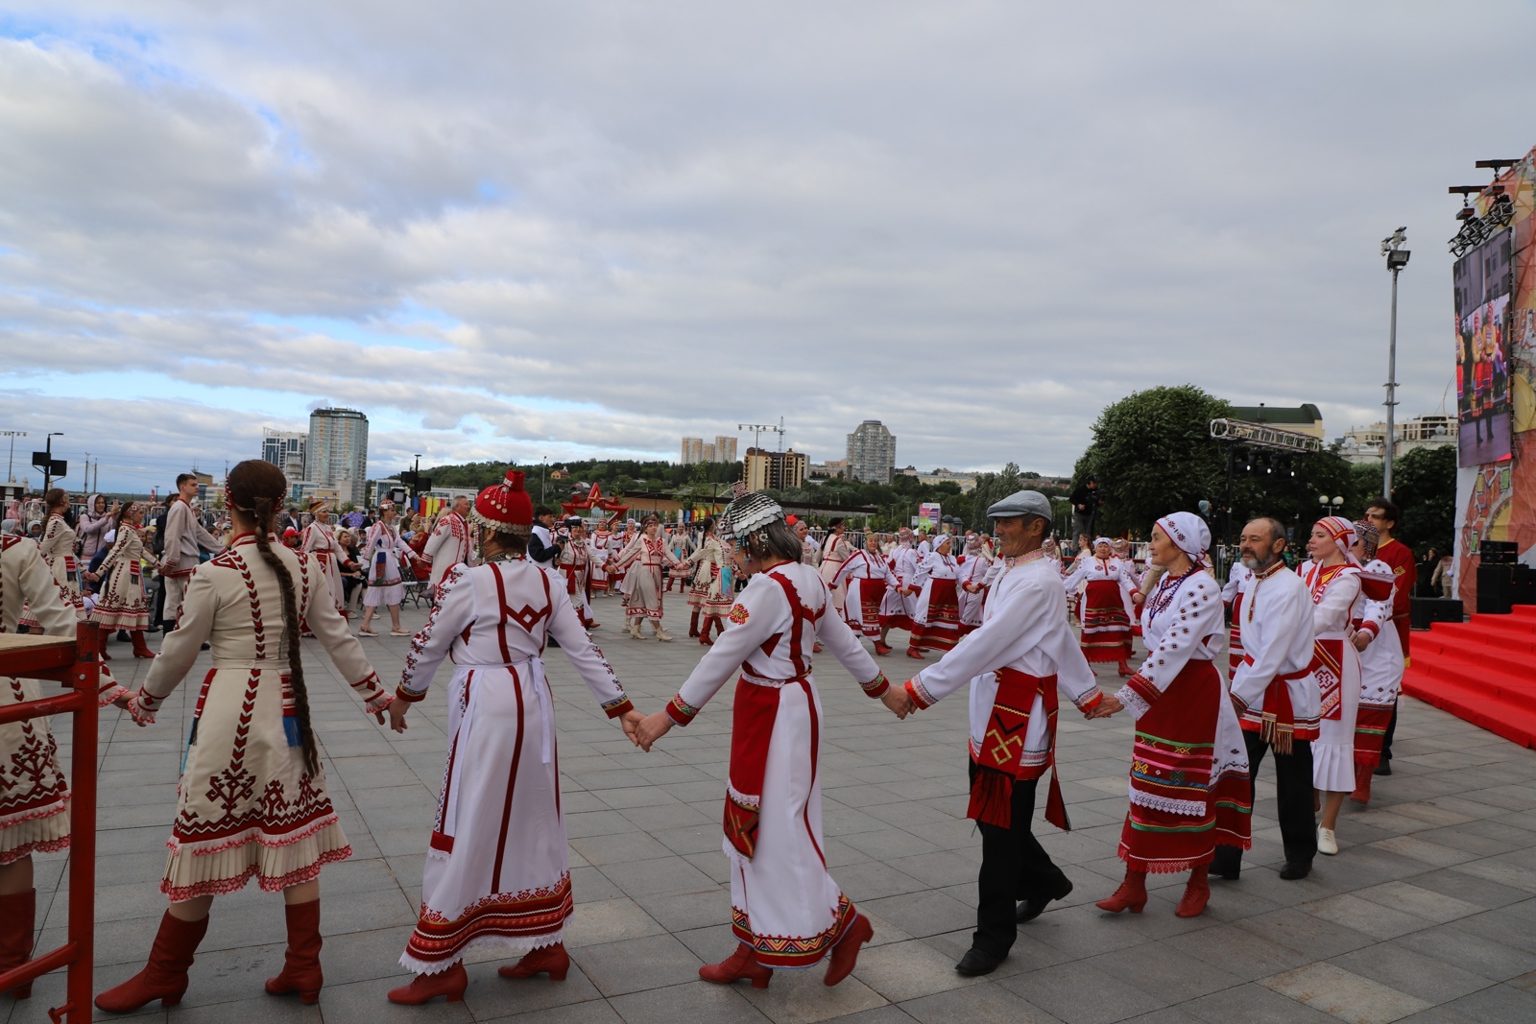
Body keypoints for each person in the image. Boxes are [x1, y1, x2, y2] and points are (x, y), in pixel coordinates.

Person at [95, 460, 393, 1012]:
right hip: (289, 714)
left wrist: (146, 700)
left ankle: (166, 972)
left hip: (230, 714)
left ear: (227, 502)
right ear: (281, 506)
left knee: (206, 835)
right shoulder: (305, 566)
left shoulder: (217, 572)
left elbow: (179, 650)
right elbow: (338, 637)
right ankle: (304, 966)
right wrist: (377, 695)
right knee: (297, 838)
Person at [384, 469, 642, 1005]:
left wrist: (405, 698)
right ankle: (544, 943)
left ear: (486, 532)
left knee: (464, 816)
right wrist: (622, 708)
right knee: (533, 815)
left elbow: (428, 645)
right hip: (533, 701)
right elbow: (583, 650)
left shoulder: (467, 580)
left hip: (485, 701)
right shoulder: (550, 581)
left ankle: (441, 964)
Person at [633, 493, 890, 990]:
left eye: (734, 544)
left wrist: (665, 718)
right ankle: (753, 948)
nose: (729, 553)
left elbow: (720, 658)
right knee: (757, 823)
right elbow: (843, 642)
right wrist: (884, 691)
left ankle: (844, 925)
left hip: (774, 711)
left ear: (755, 540)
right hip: (789, 704)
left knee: (774, 829)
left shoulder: (763, 591)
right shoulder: (809, 577)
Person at [881, 490, 1107, 977]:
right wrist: (1086, 693)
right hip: (996, 710)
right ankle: (1045, 879)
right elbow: (1058, 636)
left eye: (1010, 522)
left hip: (1017, 717)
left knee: (999, 835)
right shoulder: (1015, 571)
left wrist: (918, 690)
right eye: (998, 522)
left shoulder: (1036, 581)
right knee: (995, 820)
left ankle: (994, 937)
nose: (999, 529)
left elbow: (987, 643)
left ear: (1037, 528)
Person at [1094, 513, 1249, 918]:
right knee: (1145, 783)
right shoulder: (1166, 580)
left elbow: (1175, 648)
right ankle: (1134, 882)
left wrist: (1126, 697)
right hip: (1161, 692)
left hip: (1191, 694)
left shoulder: (1201, 586)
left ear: (1179, 544)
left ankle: (1198, 883)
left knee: (1192, 788)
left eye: (1156, 538)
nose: (1150, 545)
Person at [0, 525, 126, 998]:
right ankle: (12, 966)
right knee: (8, 844)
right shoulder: (15, 549)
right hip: (8, 692)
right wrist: (110, 688)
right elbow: (63, 620)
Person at [1211, 518, 1319, 882]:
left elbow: (1274, 652)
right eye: (1242, 538)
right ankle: (1226, 858)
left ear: (1278, 545)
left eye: (1254, 539)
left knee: (1294, 783)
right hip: (1253, 693)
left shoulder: (1289, 588)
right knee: (1236, 776)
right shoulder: (1251, 581)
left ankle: (1301, 854)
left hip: (1285, 696)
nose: (1245, 545)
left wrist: (1237, 698)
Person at [1348, 522, 1404, 807]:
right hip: (1344, 647)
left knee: (1370, 715)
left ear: (1366, 546)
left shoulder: (1378, 567)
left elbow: (1378, 604)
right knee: (1343, 716)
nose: (1348, 547)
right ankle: (1340, 776)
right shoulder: (1328, 569)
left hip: (1375, 649)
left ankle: (1363, 781)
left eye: (1354, 542)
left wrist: (1368, 630)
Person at [1365, 497, 1414, 776]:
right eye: (1366, 515)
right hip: (1359, 632)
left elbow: (1397, 593)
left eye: (1375, 516)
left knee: (1386, 689)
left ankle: (1383, 752)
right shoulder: (1359, 551)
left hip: (1389, 628)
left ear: (1389, 523)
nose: (1368, 520)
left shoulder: (1399, 553)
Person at [87, 501, 159, 659]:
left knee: (131, 609)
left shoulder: (130, 530)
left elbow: (140, 551)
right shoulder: (126, 530)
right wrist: (98, 574)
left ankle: (136, 647)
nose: (143, 515)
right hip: (123, 574)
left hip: (130, 573)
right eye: (140, 513)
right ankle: (101, 648)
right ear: (130, 514)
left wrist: (159, 564)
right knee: (115, 609)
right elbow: (114, 553)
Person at [1062, 537, 1136, 676]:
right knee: (1091, 632)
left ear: (1110, 548)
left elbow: (1125, 580)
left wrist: (1134, 593)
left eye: (1106, 546)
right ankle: (1085, 666)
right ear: (1095, 548)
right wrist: (1069, 591)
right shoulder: (1088, 562)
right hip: (1093, 603)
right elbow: (1074, 578)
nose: (1103, 548)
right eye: (1100, 546)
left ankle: (1122, 665)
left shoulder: (1117, 562)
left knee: (1120, 630)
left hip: (1114, 602)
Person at [160, 473, 222, 625]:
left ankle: (174, 640)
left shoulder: (186, 508)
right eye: (193, 485)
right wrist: (172, 559)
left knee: (175, 601)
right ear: (183, 487)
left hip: (181, 559)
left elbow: (199, 532)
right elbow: (172, 535)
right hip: (181, 560)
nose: (196, 488)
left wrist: (221, 550)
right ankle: (179, 639)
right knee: (189, 600)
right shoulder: (179, 508)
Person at [609, 514, 683, 641]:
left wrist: (679, 564)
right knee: (652, 600)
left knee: (643, 601)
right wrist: (616, 566)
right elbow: (630, 554)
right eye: (650, 526)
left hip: (657, 572)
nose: (654, 528)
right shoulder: (641, 540)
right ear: (645, 528)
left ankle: (635, 628)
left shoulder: (661, 541)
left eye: (655, 525)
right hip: (644, 571)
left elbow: (668, 554)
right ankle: (658, 630)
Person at [833, 532, 894, 655]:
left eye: (875, 541)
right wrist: (832, 584)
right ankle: (877, 645)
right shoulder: (859, 555)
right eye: (871, 541)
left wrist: (897, 586)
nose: (873, 543)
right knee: (868, 616)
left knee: (862, 619)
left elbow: (888, 574)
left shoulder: (879, 557)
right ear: (866, 542)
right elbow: (844, 568)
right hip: (861, 590)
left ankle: (850, 644)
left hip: (876, 592)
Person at [359, 501, 413, 637]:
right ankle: (395, 626)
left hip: (388, 557)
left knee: (378, 589)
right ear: (385, 512)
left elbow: (400, 542)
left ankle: (366, 625)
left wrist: (413, 554)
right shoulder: (378, 526)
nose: (395, 512)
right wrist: (364, 561)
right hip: (382, 558)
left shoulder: (392, 527)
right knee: (390, 588)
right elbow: (370, 543)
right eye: (392, 510)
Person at [906, 533, 961, 658]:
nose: (950, 546)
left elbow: (959, 574)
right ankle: (913, 647)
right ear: (939, 545)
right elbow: (920, 571)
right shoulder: (933, 556)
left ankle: (950, 648)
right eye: (947, 543)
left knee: (949, 618)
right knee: (925, 616)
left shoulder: (952, 559)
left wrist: (968, 585)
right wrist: (911, 588)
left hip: (949, 595)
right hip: (933, 592)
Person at [682, 517, 732, 643]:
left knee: (703, 602)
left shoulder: (710, 538)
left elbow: (699, 551)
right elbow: (700, 552)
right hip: (711, 569)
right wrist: (687, 562)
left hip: (710, 568)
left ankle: (697, 629)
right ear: (713, 527)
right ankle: (715, 631)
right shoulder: (712, 540)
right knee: (710, 601)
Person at [36, 489, 83, 615]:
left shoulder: (58, 521)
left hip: (65, 566)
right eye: (67, 498)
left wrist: (82, 569)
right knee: (61, 608)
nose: (69, 502)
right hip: (59, 567)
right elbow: (43, 548)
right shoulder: (56, 522)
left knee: (63, 609)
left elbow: (66, 549)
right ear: (62, 502)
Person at [300, 499, 347, 619]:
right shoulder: (312, 528)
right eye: (324, 511)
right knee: (324, 590)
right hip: (320, 563)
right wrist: (304, 566)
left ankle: (333, 619)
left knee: (334, 588)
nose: (327, 514)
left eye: (327, 511)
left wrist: (348, 562)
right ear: (316, 514)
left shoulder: (327, 528)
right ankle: (321, 620)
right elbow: (305, 548)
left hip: (331, 562)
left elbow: (336, 547)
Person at [421, 496, 474, 593]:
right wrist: (425, 559)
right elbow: (434, 539)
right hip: (446, 568)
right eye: (466, 504)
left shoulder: (464, 523)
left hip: (459, 571)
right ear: (457, 506)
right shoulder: (448, 520)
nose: (469, 506)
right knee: (442, 597)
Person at [879, 527, 920, 650]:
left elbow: (888, 566)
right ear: (910, 538)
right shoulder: (911, 552)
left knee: (888, 611)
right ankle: (916, 643)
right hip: (907, 582)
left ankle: (881, 639)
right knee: (915, 612)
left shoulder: (894, 551)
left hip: (894, 583)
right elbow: (918, 568)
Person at [555, 518, 599, 629]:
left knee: (569, 602)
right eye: (575, 528)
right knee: (578, 602)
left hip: (580, 574)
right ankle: (580, 629)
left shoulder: (582, 542)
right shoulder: (564, 541)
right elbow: (555, 556)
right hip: (568, 574)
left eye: (580, 527)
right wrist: (556, 560)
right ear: (570, 529)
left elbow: (591, 555)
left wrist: (605, 566)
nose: (578, 530)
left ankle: (566, 626)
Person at [818, 518, 855, 614]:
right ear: (837, 528)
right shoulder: (838, 541)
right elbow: (847, 558)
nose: (844, 528)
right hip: (835, 570)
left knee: (825, 594)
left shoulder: (824, 539)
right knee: (838, 596)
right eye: (843, 525)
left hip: (823, 568)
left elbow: (817, 557)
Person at [77, 493, 116, 564]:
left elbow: (112, 532)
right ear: (92, 505)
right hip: (87, 554)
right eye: (98, 503)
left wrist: (115, 518)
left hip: (102, 555)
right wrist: (105, 519)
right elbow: (88, 529)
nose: (101, 505)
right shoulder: (84, 517)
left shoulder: (109, 518)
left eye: (103, 502)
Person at [1069, 475, 1099, 541]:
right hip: (1080, 513)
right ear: (1089, 482)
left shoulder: (1096, 490)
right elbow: (1071, 499)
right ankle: (1075, 548)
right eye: (1094, 483)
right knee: (1077, 530)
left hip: (1090, 513)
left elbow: (1096, 501)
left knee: (1088, 532)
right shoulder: (1080, 489)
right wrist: (1079, 505)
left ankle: (1087, 546)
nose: (1095, 485)